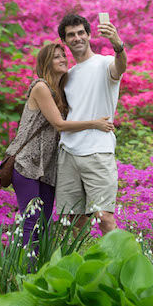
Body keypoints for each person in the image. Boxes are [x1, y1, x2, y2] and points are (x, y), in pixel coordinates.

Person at [5, 41, 113, 244]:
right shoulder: (40, 87)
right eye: (56, 56)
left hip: (47, 167)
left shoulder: (61, 90)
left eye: (63, 55)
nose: (63, 58)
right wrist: (95, 124)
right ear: (46, 62)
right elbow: (59, 124)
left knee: (44, 223)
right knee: (32, 220)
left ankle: (40, 272)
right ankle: (26, 273)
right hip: (27, 163)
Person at [55, 12, 127, 234]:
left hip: (97, 151)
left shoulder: (104, 63)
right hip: (68, 153)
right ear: (65, 41)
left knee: (104, 216)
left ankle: (118, 265)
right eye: (71, 35)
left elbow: (120, 67)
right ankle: (83, 265)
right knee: (71, 221)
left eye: (80, 33)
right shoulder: (67, 76)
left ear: (88, 35)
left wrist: (118, 45)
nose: (76, 38)